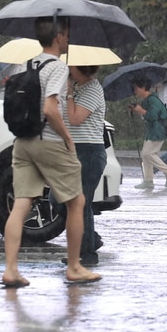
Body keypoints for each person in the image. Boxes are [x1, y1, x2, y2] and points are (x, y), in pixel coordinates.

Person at [1, 17, 101, 288]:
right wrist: (67, 137)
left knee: (22, 203)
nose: (68, 40)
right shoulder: (57, 67)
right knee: (76, 202)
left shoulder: (26, 63)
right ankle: (75, 266)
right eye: (67, 35)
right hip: (49, 141)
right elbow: (49, 109)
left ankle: (11, 269)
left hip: (23, 142)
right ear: (58, 36)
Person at [67, 64, 107, 267]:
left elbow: (75, 119)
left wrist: (68, 95)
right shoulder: (73, 86)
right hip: (72, 152)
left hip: (89, 152)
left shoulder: (92, 88)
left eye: (70, 64)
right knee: (58, 199)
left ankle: (88, 254)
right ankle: (90, 238)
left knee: (81, 203)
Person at [129, 76, 167, 189]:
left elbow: (152, 116)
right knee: (145, 156)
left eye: (136, 88)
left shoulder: (153, 99)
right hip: (152, 131)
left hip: (158, 131)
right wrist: (137, 110)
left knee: (148, 154)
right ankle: (148, 180)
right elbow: (146, 115)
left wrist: (141, 110)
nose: (135, 91)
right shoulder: (147, 100)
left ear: (143, 87)